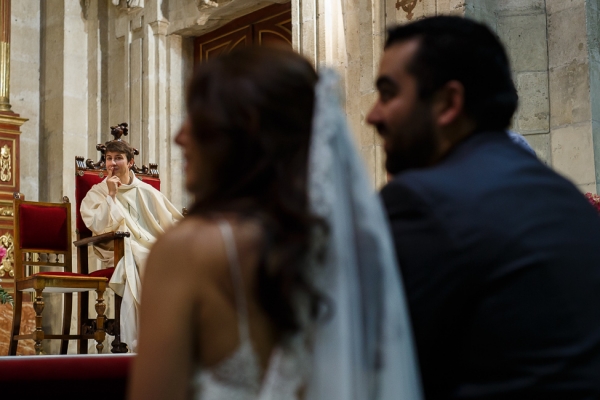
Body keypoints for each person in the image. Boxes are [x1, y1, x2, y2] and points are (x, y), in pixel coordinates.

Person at [129, 47, 422, 400]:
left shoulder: (186, 252)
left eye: (197, 117)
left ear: (241, 131)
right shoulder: (349, 246)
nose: (179, 136)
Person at [367, 16, 600, 399]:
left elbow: (381, 367)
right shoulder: (561, 194)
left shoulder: (422, 201)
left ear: (448, 103)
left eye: (388, 94)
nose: (372, 115)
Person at [80, 140, 183, 352]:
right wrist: (111, 196)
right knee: (146, 258)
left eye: (118, 158)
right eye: (109, 158)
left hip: (147, 246)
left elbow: (171, 221)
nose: (112, 163)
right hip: (118, 250)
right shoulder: (97, 192)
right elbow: (98, 225)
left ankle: (176, 334)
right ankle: (149, 335)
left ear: (130, 162)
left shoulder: (146, 191)